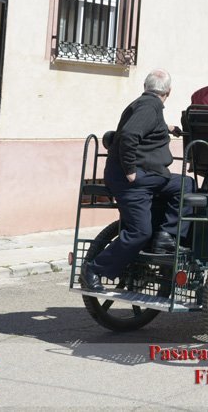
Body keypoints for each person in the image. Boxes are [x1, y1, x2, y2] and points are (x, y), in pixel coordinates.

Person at [81, 69, 193, 292]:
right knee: (139, 233)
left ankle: (166, 236)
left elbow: (144, 127)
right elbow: (130, 135)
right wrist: (130, 170)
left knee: (185, 184)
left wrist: (169, 128)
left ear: (145, 86)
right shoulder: (149, 107)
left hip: (148, 177)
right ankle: (93, 270)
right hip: (134, 181)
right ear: (169, 92)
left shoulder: (146, 105)